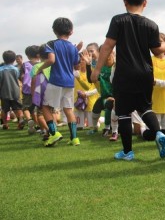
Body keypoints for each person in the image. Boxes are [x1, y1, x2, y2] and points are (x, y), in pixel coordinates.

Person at [91, 0, 165, 161]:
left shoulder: (118, 20)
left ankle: (127, 152)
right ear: (145, 2)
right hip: (146, 73)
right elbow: (157, 50)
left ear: (125, 2)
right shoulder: (151, 25)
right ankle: (158, 133)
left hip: (124, 74)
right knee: (145, 107)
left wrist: (97, 69)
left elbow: (108, 46)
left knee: (123, 113)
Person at [37, 17, 81, 147]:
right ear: (71, 32)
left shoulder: (51, 44)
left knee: (45, 107)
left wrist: (39, 69)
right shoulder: (73, 48)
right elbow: (77, 66)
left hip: (56, 80)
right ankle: (74, 138)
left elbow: (51, 60)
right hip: (69, 82)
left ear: (54, 31)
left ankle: (54, 133)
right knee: (68, 109)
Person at [140, 33, 165, 140]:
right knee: (152, 136)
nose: (157, 44)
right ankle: (141, 129)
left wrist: (157, 82)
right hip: (153, 103)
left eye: (160, 41)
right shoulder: (149, 61)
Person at [82, 44, 114, 137]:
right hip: (105, 95)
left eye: (92, 51)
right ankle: (96, 128)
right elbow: (91, 79)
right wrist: (88, 65)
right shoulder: (99, 67)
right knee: (96, 109)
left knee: (110, 106)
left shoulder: (116, 65)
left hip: (117, 96)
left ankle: (109, 128)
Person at [0, 50, 25, 130]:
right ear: (14, 59)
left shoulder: (1, 70)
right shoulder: (16, 69)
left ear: (4, 59)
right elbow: (19, 78)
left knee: (4, 109)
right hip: (15, 91)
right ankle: (20, 119)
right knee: (18, 108)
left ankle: (5, 124)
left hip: (4, 92)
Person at [20, 45, 41, 133]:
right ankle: (38, 126)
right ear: (38, 55)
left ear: (27, 55)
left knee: (26, 108)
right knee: (36, 109)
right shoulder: (41, 64)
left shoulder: (25, 64)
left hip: (27, 89)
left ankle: (29, 120)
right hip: (39, 89)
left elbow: (21, 76)